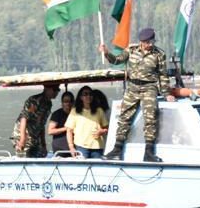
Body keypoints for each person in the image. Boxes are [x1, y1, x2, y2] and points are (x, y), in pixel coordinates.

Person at [99, 28, 176, 162]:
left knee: (150, 118)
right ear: (141, 42)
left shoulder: (159, 54)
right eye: (147, 42)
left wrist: (166, 93)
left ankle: (149, 153)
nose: (150, 44)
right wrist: (106, 53)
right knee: (124, 118)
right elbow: (117, 60)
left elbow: (163, 75)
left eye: (152, 41)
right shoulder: (132, 49)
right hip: (132, 87)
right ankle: (116, 151)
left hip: (149, 87)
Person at [10, 83, 58, 158]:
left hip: (35, 138)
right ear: (46, 88)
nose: (57, 92)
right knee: (24, 161)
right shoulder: (35, 100)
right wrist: (22, 140)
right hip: (23, 136)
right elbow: (24, 118)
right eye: (54, 89)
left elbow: (42, 124)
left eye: (58, 89)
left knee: (40, 158)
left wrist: (44, 145)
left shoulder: (48, 104)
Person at [65, 85, 109, 158]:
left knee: (97, 168)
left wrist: (102, 131)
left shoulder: (99, 110)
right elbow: (69, 130)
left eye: (90, 94)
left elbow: (107, 128)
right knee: (82, 168)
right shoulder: (75, 111)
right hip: (81, 147)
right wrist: (71, 147)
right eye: (85, 94)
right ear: (81, 97)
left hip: (97, 147)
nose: (88, 96)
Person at [47, 90, 75, 155]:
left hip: (75, 147)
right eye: (66, 101)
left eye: (70, 101)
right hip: (60, 148)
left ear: (74, 103)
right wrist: (66, 128)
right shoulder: (56, 114)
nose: (68, 104)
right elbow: (50, 131)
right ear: (62, 103)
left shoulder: (76, 114)